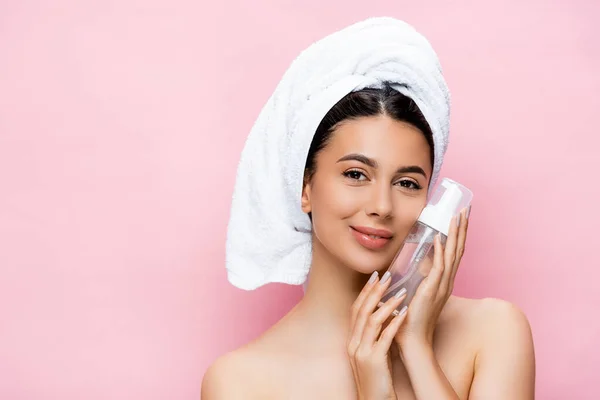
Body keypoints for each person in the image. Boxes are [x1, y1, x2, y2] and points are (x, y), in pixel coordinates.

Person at [202, 18, 535, 400]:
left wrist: (416, 348)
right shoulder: (240, 382)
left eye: (407, 183)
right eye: (356, 174)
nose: (381, 206)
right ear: (305, 185)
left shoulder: (494, 332)